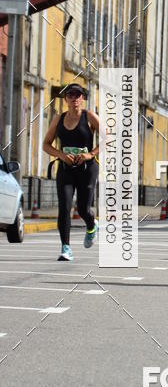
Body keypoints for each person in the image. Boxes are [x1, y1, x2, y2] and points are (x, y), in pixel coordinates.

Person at [42, 83, 100, 262]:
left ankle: (91, 225)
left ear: (83, 98)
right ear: (66, 98)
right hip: (66, 169)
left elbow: (109, 139)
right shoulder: (58, 119)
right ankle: (65, 248)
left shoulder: (89, 116)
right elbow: (46, 144)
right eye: (70, 95)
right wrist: (61, 154)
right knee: (64, 207)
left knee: (83, 209)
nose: (74, 98)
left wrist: (90, 154)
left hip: (87, 169)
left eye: (78, 95)